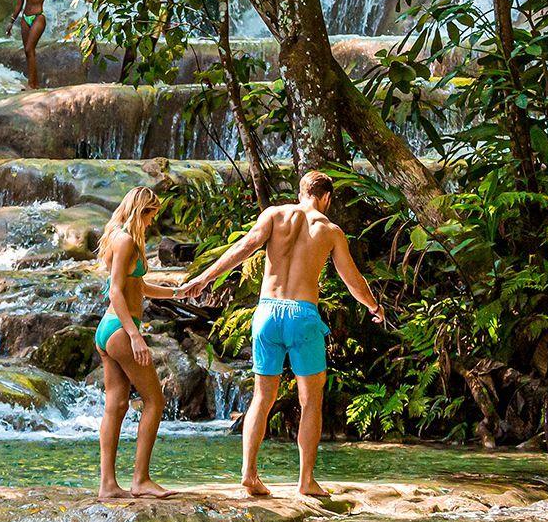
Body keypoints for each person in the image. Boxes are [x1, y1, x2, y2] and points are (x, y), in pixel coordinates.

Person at [178, 171, 384, 498]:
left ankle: (249, 475)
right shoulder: (329, 231)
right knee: (310, 399)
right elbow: (352, 280)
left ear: (300, 192)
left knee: (262, 396)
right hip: (302, 316)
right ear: (326, 197)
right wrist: (374, 306)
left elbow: (243, 248)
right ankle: (306, 481)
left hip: (267, 313)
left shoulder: (274, 215)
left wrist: (203, 278)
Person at [93, 186, 183, 500]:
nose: (151, 223)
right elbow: (115, 291)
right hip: (120, 328)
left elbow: (138, 285)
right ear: (139, 211)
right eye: (150, 216)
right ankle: (140, 479)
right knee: (155, 401)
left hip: (106, 330)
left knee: (116, 405)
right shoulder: (127, 240)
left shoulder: (115, 233)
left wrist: (177, 293)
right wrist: (135, 335)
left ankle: (107, 486)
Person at [10, 0, 82, 89]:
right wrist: (11, 22)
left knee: (29, 48)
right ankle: (34, 82)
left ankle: (32, 84)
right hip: (25, 19)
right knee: (28, 52)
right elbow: (19, 4)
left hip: (39, 17)